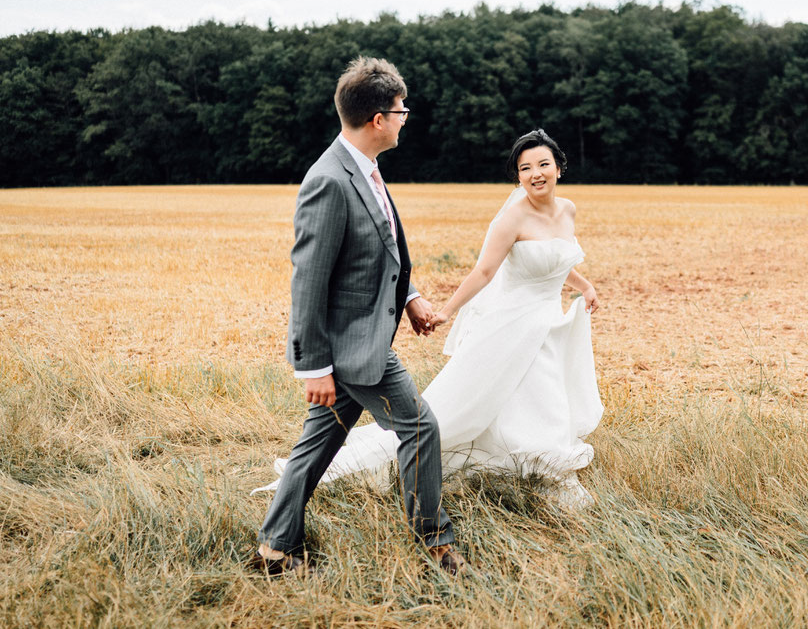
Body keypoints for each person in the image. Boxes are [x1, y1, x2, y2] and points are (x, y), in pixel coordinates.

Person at [257, 129, 604, 507]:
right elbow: (484, 273)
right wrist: (447, 312)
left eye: (543, 164)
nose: (535, 173)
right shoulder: (511, 219)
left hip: (548, 320)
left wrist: (584, 285)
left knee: (540, 396)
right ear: (517, 176)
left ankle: (537, 465)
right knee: (467, 405)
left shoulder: (567, 209)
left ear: (558, 167)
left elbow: (555, 260)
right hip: (513, 324)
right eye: (525, 168)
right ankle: (535, 468)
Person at [249, 57, 465, 577]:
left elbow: (378, 250)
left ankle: (275, 549)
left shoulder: (364, 168)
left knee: (317, 446)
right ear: (377, 119)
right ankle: (434, 545)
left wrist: (409, 296)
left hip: (358, 340)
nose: (405, 117)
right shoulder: (328, 180)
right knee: (421, 428)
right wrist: (313, 367)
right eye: (400, 110)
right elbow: (310, 280)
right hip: (348, 349)